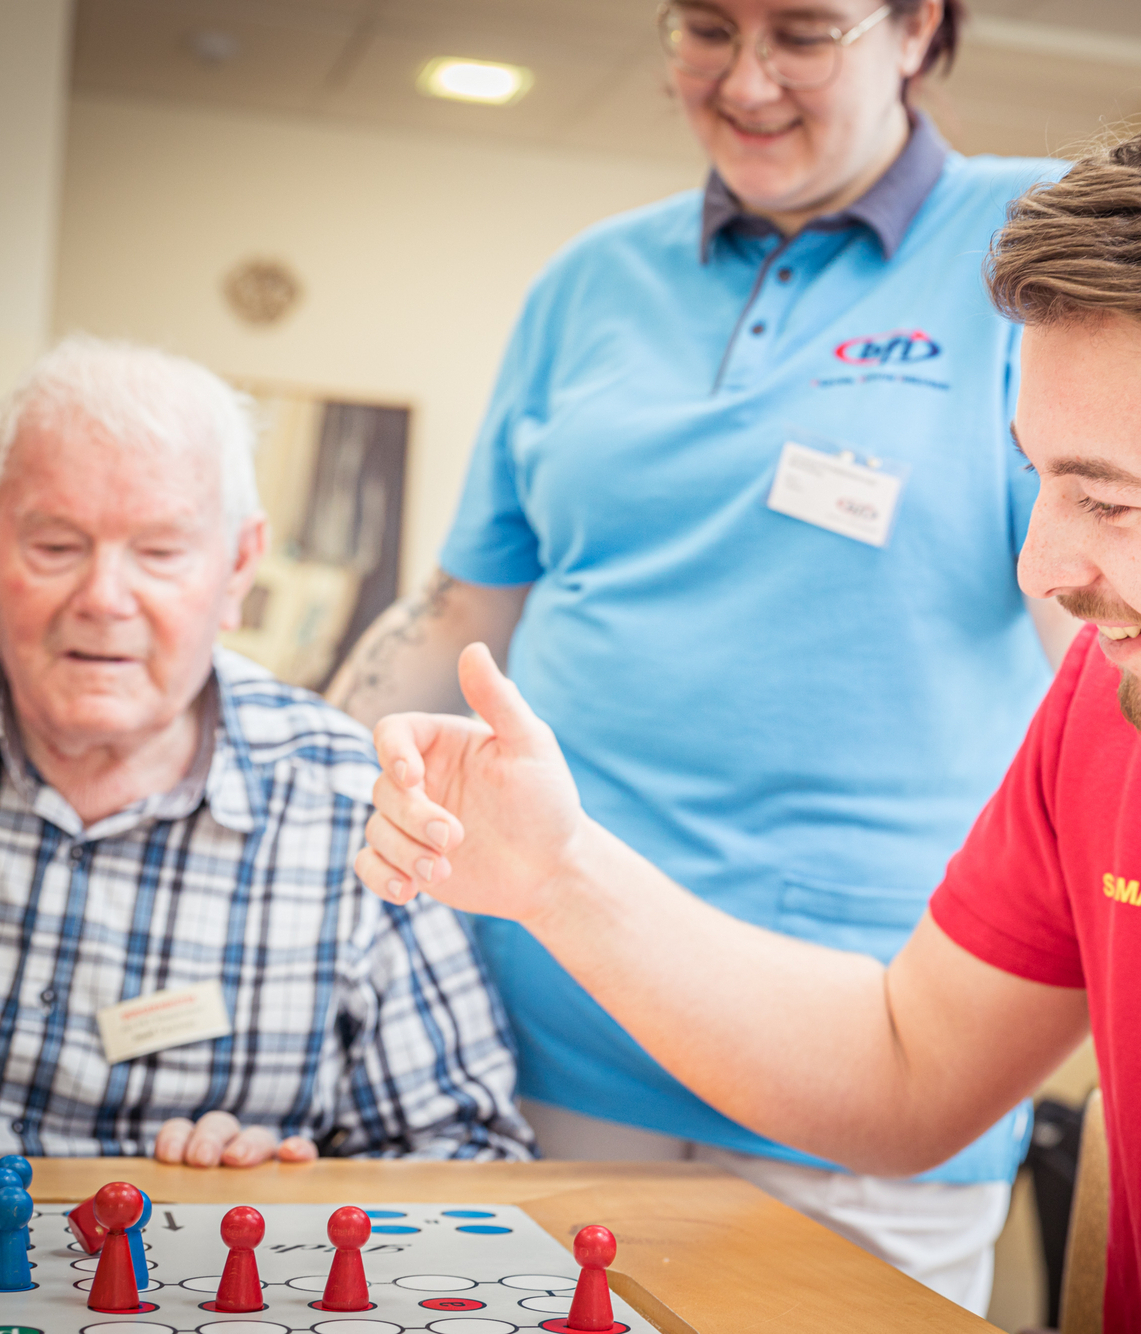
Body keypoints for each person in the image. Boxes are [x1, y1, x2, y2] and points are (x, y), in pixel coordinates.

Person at [357, 112, 1141, 1332]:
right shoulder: (1124, 700)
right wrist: (558, 871)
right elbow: (903, 1067)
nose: (1042, 561)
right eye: (1039, 477)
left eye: (1108, 499)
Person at [327, 0, 1076, 1306]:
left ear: (915, 29)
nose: (745, 81)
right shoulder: (585, 284)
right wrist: (267, 770)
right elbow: (459, 613)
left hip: (862, 1050)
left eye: (800, 32)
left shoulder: (1032, 249)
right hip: (544, 1024)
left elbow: (1106, 666)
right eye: (705, 28)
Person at [0, 337, 532, 1165]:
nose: (104, 599)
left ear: (238, 567)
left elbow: (474, 1154)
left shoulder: (358, 804)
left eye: (160, 552)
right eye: (56, 546)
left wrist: (299, 1195)